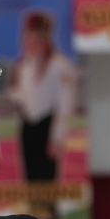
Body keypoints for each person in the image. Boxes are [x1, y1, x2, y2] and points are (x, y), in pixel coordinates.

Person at [6, 11, 75, 184]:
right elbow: (21, 95)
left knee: (46, 182)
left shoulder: (59, 65)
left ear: (45, 39)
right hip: (28, 126)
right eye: (27, 35)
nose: (28, 40)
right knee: (30, 181)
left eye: (34, 36)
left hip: (47, 126)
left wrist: (57, 138)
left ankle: (48, 211)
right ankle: (33, 212)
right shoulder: (23, 66)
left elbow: (64, 105)